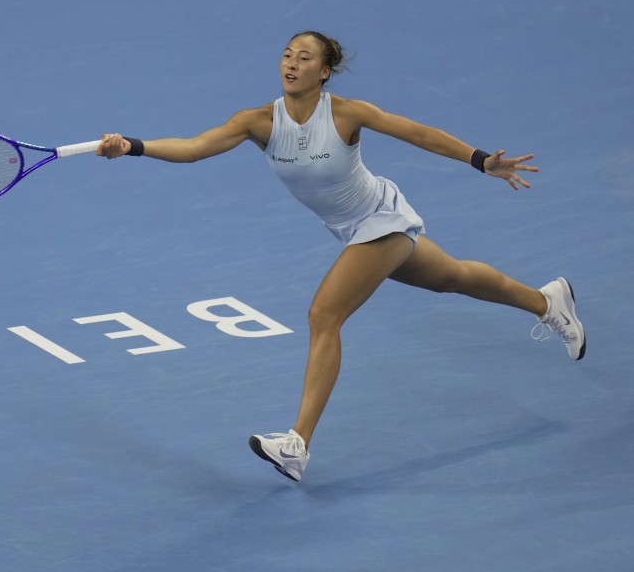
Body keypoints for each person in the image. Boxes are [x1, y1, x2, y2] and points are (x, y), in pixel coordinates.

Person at [96, 31, 585, 483]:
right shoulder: (258, 122)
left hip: (380, 221)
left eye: (304, 57)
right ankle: (547, 302)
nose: (291, 63)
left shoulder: (347, 113)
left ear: (324, 71)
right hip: (349, 229)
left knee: (323, 315)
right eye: (287, 54)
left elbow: (417, 132)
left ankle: (297, 445)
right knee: (452, 277)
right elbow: (194, 148)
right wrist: (133, 146)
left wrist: (480, 160)